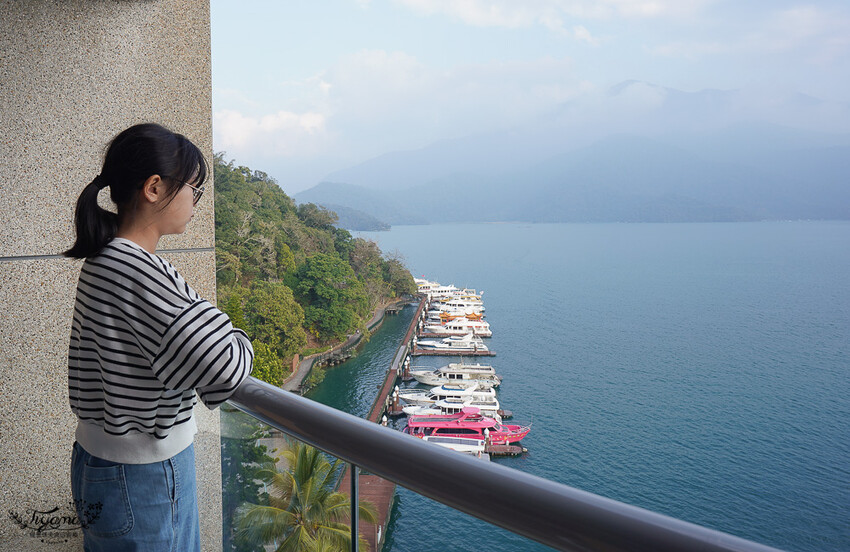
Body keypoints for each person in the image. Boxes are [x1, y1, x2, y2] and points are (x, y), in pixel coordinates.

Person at [64, 123, 253, 551]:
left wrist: (206, 321)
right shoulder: (137, 270)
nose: (194, 202)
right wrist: (231, 330)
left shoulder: (104, 258)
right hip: (142, 477)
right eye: (193, 189)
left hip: (102, 464)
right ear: (154, 187)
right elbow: (226, 369)